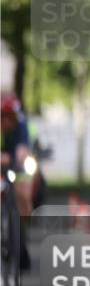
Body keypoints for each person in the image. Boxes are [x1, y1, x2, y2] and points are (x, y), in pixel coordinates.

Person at [1, 93, 33, 268]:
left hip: (16, 167)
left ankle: (21, 235)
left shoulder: (21, 125)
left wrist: (20, 155)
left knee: (23, 195)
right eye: (5, 117)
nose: (9, 122)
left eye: (12, 117)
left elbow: (23, 148)